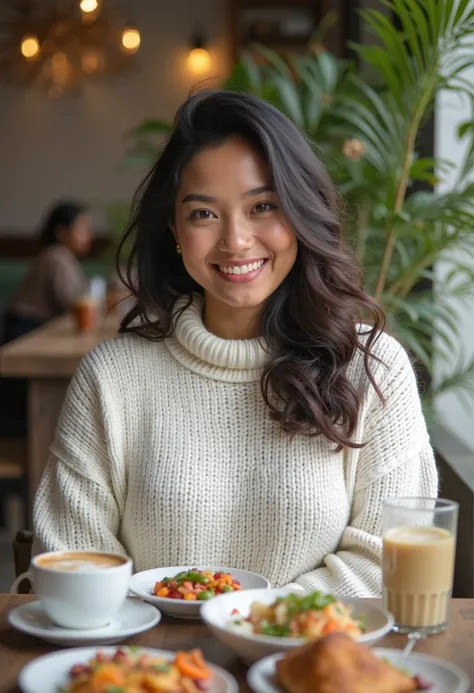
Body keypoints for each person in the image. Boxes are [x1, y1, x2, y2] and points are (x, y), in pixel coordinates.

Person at [33, 91, 437, 596]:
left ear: (300, 212)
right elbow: (72, 556)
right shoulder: (112, 377)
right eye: (204, 214)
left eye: (263, 206)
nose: (237, 240)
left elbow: (385, 560)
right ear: (175, 230)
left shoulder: (373, 367)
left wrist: (247, 624)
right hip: (148, 666)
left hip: (313, 667)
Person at [4, 201, 92, 342]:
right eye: (82, 228)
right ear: (61, 233)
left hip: (30, 324)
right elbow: (70, 302)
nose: (88, 235)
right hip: (26, 328)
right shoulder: (56, 257)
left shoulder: (62, 256)